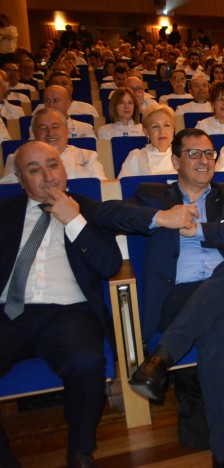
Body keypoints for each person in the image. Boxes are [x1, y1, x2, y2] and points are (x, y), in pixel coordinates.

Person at [94, 128, 224, 467]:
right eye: (194, 154)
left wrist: (200, 230)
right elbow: (104, 214)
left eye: (209, 153)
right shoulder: (153, 195)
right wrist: (161, 218)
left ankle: (160, 360)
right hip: (177, 298)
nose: (204, 160)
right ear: (175, 161)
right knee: (218, 329)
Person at [0, 141, 121, 468]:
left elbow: (110, 264)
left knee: (86, 362)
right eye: (34, 169)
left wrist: (74, 221)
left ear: (64, 169)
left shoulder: (92, 210)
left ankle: (81, 452)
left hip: (70, 313)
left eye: (52, 165)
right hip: (9, 315)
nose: (47, 175)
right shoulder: (4, 214)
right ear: (20, 179)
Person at [3, 108, 106, 183]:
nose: (50, 133)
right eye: (43, 128)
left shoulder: (88, 156)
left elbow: (101, 189)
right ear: (34, 133)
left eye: (55, 127)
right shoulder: (17, 159)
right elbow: (9, 192)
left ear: (66, 131)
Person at [118, 105, 175, 178]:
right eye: (155, 126)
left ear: (173, 130)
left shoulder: (183, 156)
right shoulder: (136, 157)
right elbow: (124, 186)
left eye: (167, 125)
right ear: (146, 132)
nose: (162, 131)